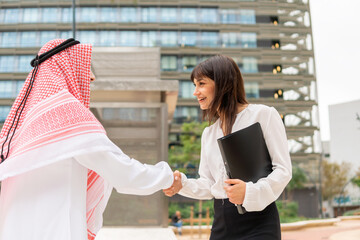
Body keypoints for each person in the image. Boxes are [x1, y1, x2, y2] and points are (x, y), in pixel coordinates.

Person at [0, 39, 178, 240]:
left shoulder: (25, 124)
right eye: (86, 69)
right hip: (55, 229)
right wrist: (168, 177)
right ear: (68, 69)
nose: (91, 78)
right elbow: (122, 172)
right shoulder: (66, 113)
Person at [164, 55, 292, 240]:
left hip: (259, 223)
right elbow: (209, 185)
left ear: (223, 83)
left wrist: (250, 192)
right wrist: (181, 185)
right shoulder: (208, 134)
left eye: (201, 84)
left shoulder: (264, 115)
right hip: (222, 225)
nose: (195, 92)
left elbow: (283, 171)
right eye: (194, 85)